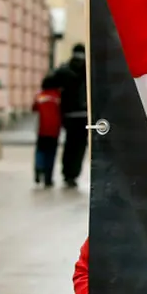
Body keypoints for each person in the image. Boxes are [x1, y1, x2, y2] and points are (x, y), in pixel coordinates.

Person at [51, 43, 88, 188]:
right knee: (80, 146)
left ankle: (66, 173)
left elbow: (49, 82)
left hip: (68, 114)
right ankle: (74, 173)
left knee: (69, 144)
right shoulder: (89, 70)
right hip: (84, 114)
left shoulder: (64, 70)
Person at [33, 74, 63, 187]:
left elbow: (34, 108)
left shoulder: (40, 96)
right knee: (51, 154)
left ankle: (38, 169)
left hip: (42, 129)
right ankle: (48, 178)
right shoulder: (58, 97)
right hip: (54, 130)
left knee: (40, 151)